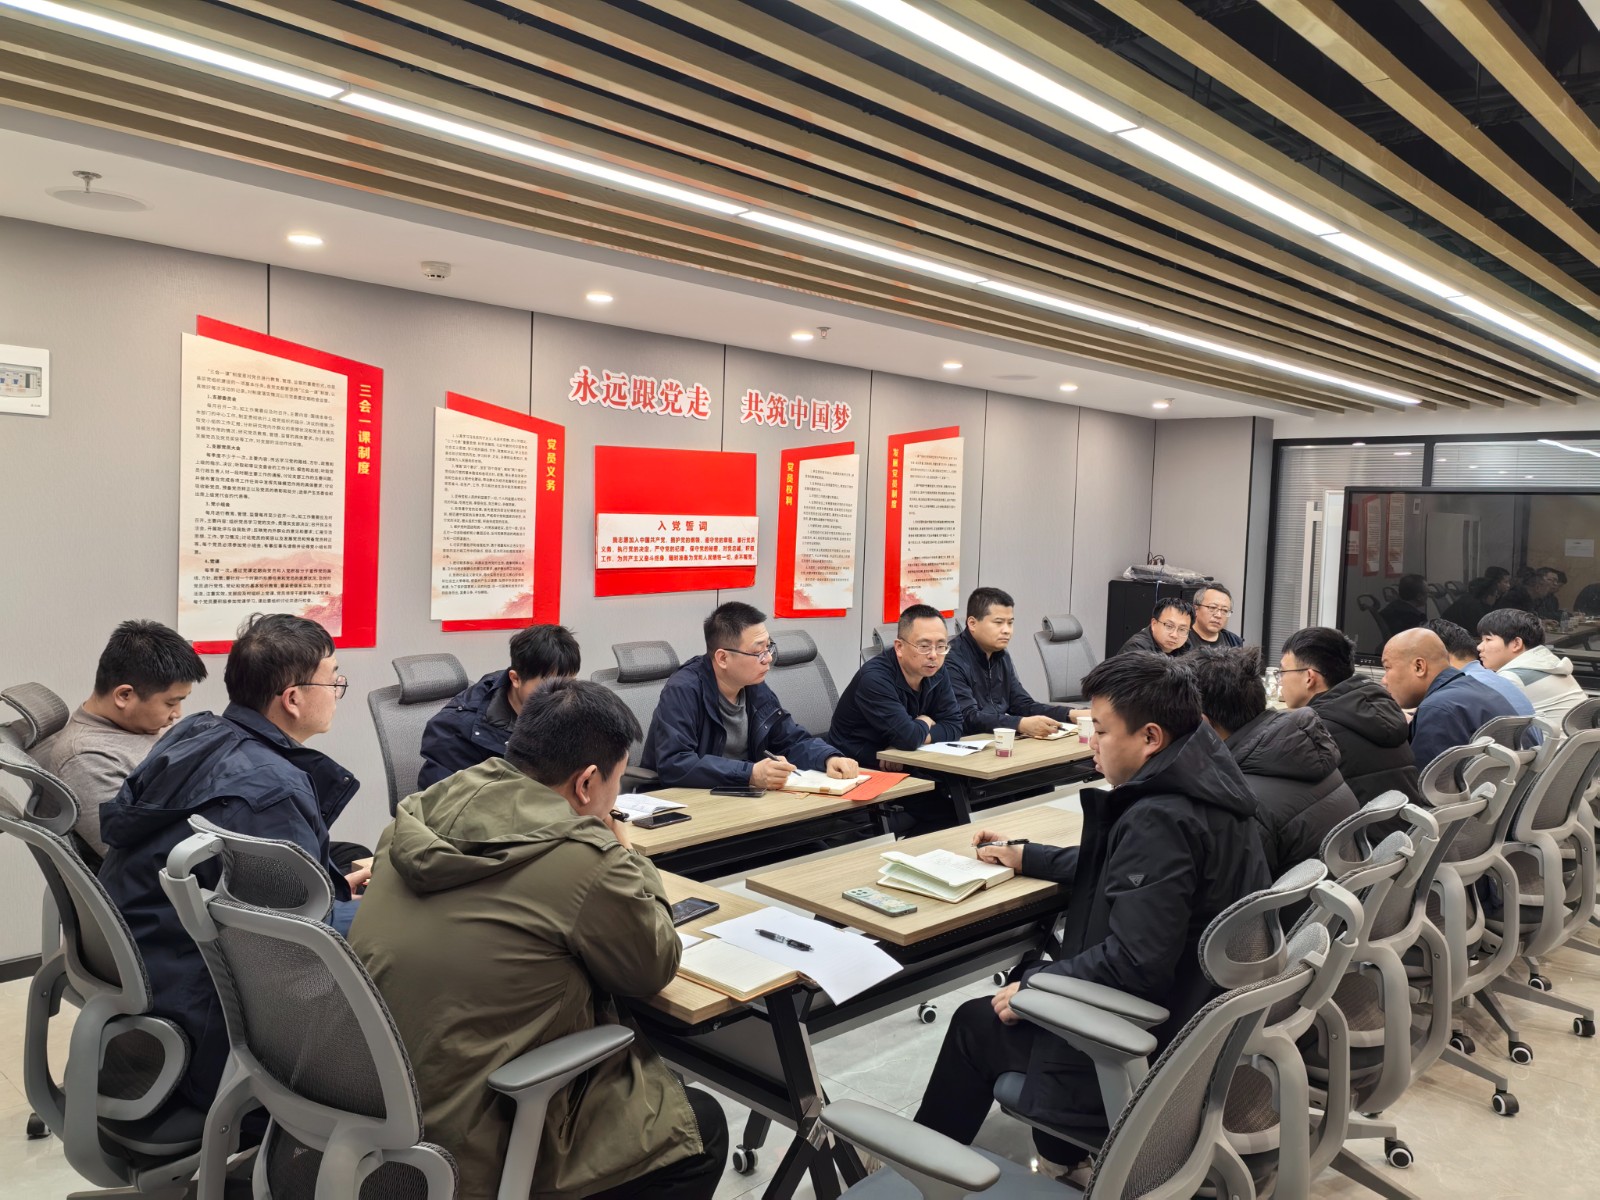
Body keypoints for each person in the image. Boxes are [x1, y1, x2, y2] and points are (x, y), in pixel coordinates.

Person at [351, 680, 726, 1200]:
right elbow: (653, 967)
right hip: (474, 1141)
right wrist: (629, 857)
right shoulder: (585, 860)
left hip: (372, 1112)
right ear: (587, 783)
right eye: (618, 781)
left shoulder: (415, 816)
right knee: (701, 1129)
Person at [912, 653, 1267, 1178]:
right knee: (1024, 982)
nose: (1091, 743)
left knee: (976, 1022)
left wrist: (1038, 984)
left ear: (1150, 738)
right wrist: (1028, 855)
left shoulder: (1159, 818)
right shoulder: (1209, 784)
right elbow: (1135, 873)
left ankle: (917, 1172)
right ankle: (1061, 1158)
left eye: (1100, 731)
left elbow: (1135, 963)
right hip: (1194, 1028)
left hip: (1145, 1051)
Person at [99, 613, 367, 1118]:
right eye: (334, 680)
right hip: (207, 1013)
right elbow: (294, 943)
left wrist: (329, 884)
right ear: (292, 698)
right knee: (396, 939)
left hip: (156, 966)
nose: (338, 692)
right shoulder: (271, 789)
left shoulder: (198, 731)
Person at [33, 619, 207, 865]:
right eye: (171, 702)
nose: (177, 713)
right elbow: (137, 860)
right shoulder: (86, 760)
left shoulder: (137, 726)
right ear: (124, 695)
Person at [641, 602, 855, 788]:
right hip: (685, 802)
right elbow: (675, 763)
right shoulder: (683, 690)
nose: (768, 658)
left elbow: (789, 739)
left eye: (768, 647)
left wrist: (828, 757)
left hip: (740, 796)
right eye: (758, 652)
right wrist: (750, 774)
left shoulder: (754, 687)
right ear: (723, 658)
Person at [1191, 646, 1357, 876]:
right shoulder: (1308, 753)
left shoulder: (1241, 802)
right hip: (1336, 894)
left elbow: (1229, 895)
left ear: (1202, 724)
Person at [417, 624, 581, 789]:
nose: (561, 695)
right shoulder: (455, 729)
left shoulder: (569, 704)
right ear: (515, 679)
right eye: (550, 686)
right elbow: (443, 800)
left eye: (569, 684)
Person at [1278, 627, 1421, 804]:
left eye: (1282, 672)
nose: (1280, 681)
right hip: (1407, 819)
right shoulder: (1382, 709)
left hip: (1356, 822)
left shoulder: (1314, 732)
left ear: (1309, 677)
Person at [827, 604, 964, 767]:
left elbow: (954, 725)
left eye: (941, 646)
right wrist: (926, 722)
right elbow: (908, 738)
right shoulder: (874, 679)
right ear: (899, 647)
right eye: (924, 647)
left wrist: (908, 741)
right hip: (855, 765)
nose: (934, 655)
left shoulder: (936, 671)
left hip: (904, 756)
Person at [945, 587, 1073, 736]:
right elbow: (968, 717)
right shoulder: (951, 659)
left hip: (995, 738)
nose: (1007, 630)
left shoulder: (1000, 655)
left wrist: (1070, 714)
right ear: (972, 623)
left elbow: (1022, 704)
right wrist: (1019, 724)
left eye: (1010, 623)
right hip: (966, 742)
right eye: (998, 622)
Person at [1380, 628, 1516, 770]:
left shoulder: (1438, 709)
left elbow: (1423, 781)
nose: (1384, 680)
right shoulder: (1477, 690)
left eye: (1387, 668)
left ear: (1419, 667)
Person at [1477, 608, 1588, 733]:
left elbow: (1488, 725)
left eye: (1488, 639)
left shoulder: (1512, 677)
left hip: (1549, 745)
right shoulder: (1547, 664)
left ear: (1516, 644)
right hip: (1576, 744)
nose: (1479, 647)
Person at [1423, 618, 1536, 730]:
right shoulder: (1501, 680)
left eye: (1488, 639)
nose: (1480, 647)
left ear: (1442, 654)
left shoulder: (1455, 692)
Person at [1117, 598, 1193, 657]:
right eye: (1169, 626)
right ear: (1154, 624)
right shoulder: (1136, 649)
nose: (1174, 635)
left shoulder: (1186, 646)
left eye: (1182, 629)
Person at [1188, 583, 1244, 652]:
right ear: (1196, 609)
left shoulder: (1234, 642)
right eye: (1212, 607)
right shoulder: (1182, 639)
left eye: (1224, 610)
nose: (1218, 615)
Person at [1378, 574, 1430, 642]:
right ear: (1419, 597)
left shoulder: (1390, 609)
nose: (1428, 595)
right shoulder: (1416, 618)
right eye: (1427, 592)